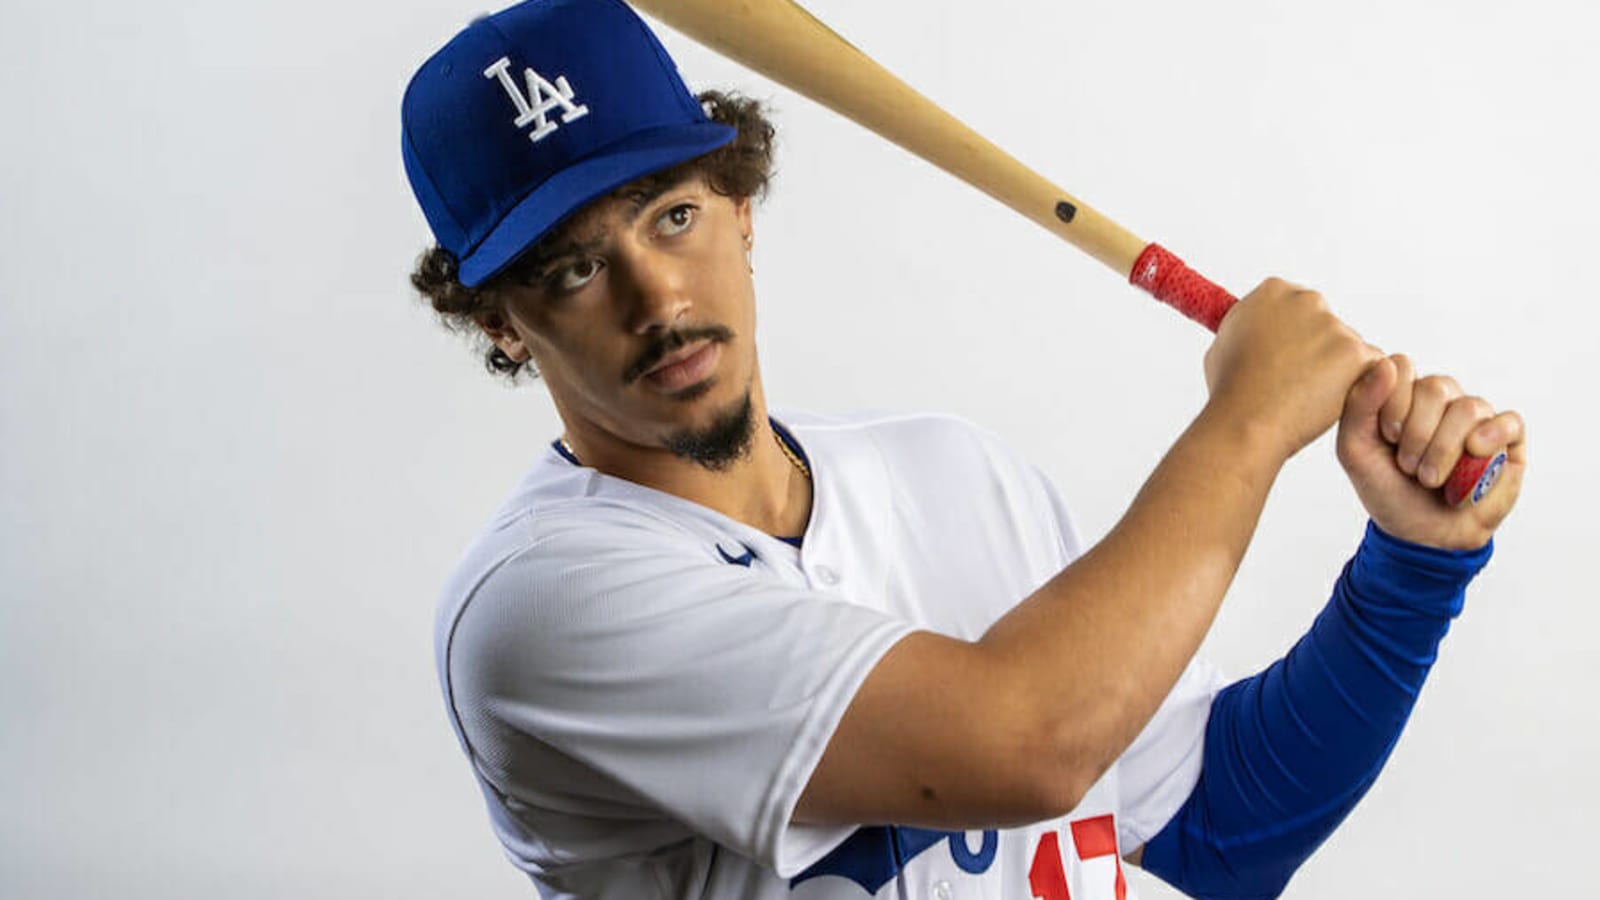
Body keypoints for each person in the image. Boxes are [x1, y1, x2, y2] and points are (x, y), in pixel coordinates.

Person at [401, 1, 1527, 897]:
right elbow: (1028, 745)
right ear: (499, 320)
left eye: (671, 215)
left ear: (741, 203)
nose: (658, 297)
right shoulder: (542, 608)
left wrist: (1412, 565)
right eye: (572, 268)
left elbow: (1210, 833)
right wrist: (1245, 420)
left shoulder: (950, 473)